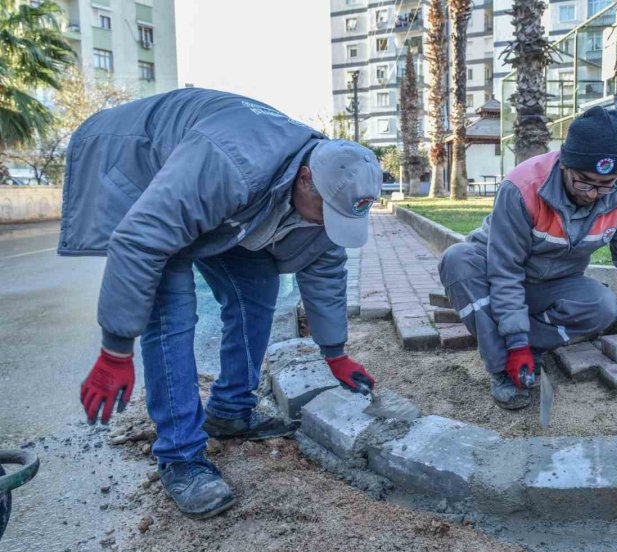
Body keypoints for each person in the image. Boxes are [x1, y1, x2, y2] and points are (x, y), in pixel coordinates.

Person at [59, 88, 381, 518]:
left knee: (257, 284)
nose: (326, 224)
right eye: (325, 212)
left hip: (219, 195)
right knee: (171, 310)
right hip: (133, 159)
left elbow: (324, 265)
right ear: (305, 178)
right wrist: (115, 350)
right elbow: (140, 242)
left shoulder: (329, 180)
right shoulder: (230, 166)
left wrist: (335, 353)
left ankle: (231, 411)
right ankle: (180, 458)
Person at [438, 106, 617, 410]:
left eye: (606, 184)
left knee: (604, 307)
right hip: (489, 271)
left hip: (553, 282)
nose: (593, 193)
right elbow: (505, 271)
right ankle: (503, 366)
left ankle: (520, 340)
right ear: (565, 163)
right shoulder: (523, 187)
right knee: (456, 259)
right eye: (584, 181)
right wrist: (514, 344)